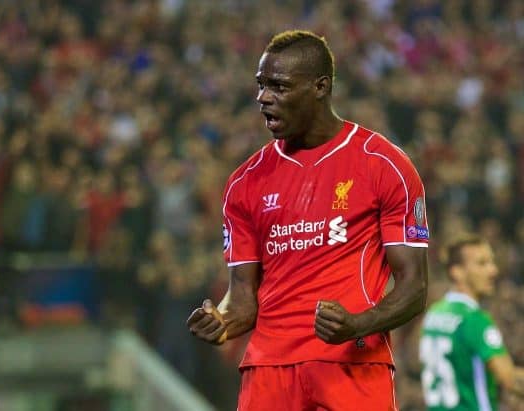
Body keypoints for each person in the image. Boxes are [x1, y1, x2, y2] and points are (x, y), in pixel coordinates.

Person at [186, 30, 429, 411]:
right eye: (261, 85)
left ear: (320, 86)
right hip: (269, 368)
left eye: (279, 86)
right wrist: (221, 321)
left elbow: (414, 285)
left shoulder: (383, 164)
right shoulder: (244, 183)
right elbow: (243, 301)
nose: (263, 98)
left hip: (351, 362)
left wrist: (359, 324)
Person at [419, 234, 524, 411]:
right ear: (457, 271)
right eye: (482, 263)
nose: (493, 271)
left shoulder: (434, 314)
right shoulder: (474, 320)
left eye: (491, 262)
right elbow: (511, 381)